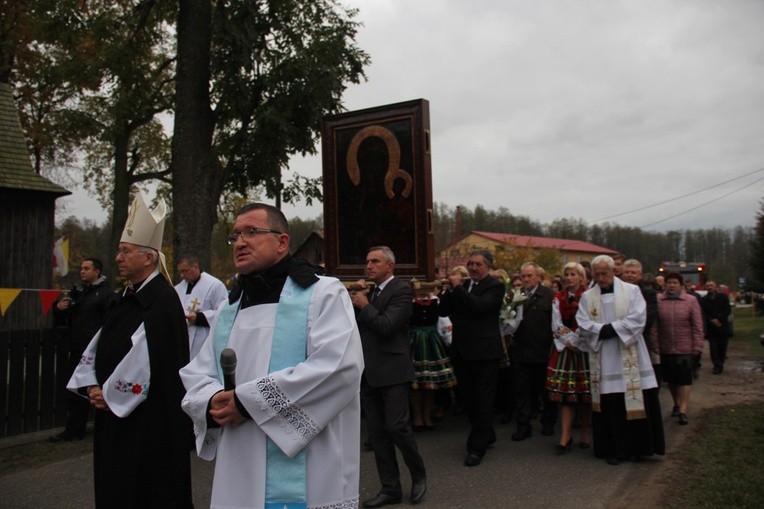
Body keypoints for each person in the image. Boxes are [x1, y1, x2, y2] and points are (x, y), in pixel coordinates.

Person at [180, 203, 364, 509]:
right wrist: (213, 401)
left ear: (282, 242)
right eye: (235, 235)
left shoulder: (323, 293)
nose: (239, 242)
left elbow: (339, 367)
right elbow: (199, 372)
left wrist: (246, 403)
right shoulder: (229, 308)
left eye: (251, 232)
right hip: (239, 460)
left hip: (309, 465)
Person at [67, 192, 192, 507]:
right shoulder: (123, 297)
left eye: (126, 251)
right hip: (111, 416)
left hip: (147, 423)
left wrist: (109, 393)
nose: (119, 257)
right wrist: (92, 383)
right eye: (119, 251)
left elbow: (145, 358)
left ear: (148, 257)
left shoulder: (162, 301)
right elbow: (99, 344)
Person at [351, 246, 427, 507]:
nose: (369, 266)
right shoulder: (369, 291)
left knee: (397, 427)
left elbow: (387, 326)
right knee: (377, 434)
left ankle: (418, 474)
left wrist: (365, 305)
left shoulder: (402, 290)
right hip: (369, 372)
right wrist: (354, 300)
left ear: (390, 266)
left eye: (375, 261)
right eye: (367, 261)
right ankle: (390, 488)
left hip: (394, 370)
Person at [576, 255, 664, 466]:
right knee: (611, 403)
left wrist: (611, 329)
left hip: (630, 352)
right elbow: (582, 322)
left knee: (635, 398)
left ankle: (639, 448)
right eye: (597, 274)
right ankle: (614, 448)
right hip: (604, 356)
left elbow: (638, 319)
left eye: (605, 273)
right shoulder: (588, 296)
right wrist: (601, 330)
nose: (601, 277)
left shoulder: (632, 291)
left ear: (613, 271)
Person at [437, 249, 504, 467]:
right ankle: (487, 434)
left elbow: (480, 307)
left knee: (483, 399)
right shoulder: (463, 286)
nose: (473, 268)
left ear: (488, 266)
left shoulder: (495, 286)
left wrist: (458, 288)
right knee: (468, 398)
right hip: (462, 351)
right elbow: (443, 310)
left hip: (485, 353)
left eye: (478, 264)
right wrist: (448, 290)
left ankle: (476, 448)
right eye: (471, 264)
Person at [49, 258, 112, 443]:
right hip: (77, 348)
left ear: (97, 271)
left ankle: (89, 429)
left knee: (92, 391)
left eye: (86, 268)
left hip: (93, 350)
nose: (82, 271)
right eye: (81, 268)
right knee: (75, 391)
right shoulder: (80, 292)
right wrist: (60, 309)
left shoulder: (105, 293)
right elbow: (69, 318)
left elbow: (107, 322)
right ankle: (73, 429)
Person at [545, 262, 591, 453]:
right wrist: (570, 342)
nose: (569, 278)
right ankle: (565, 436)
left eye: (573, 274)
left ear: (581, 277)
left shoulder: (589, 297)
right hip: (566, 348)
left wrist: (580, 342)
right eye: (567, 274)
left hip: (585, 349)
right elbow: (556, 324)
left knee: (586, 395)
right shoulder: (558, 298)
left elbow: (589, 321)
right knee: (565, 396)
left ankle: (586, 433)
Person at [509, 261, 557, 441]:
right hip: (521, 352)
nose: (526, 279)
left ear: (538, 277)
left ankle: (548, 423)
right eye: (523, 276)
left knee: (545, 392)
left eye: (530, 276)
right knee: (522, 392)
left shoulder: (549, 295)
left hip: (543, 352)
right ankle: (523, 425)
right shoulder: (515, 296)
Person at [657, 271, 704, 425]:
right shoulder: (659, 300)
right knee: (671, 378)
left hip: (685, 347)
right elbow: (654, 326)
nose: (672, 285)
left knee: (684, 378)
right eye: (669, 282)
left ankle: (683, 409)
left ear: (681, 285)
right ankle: (676, 402)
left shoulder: (690, 300)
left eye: (675, 282)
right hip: (666, 346)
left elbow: (697, 325)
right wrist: (655, 344)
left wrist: (698, 345)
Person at [408, 285, 456, 431]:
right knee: (415, 384)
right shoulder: (409, 302)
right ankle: (417, 416)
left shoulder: (436, 301)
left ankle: (427, 415)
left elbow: (444, 323)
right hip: (414, 343)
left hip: (432, 343)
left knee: (430, 383)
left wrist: (450, 341)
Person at [174, 256, 228, 359]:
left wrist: (199, 318)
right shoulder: (178, 288)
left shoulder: (215, 285)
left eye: (185, 271)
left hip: (204, 338)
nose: (182, 275)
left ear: (195, 267)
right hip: (183, 338)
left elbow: (224, 313)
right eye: (180, 272)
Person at [622, 259, 661, 385]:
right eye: (626, 272)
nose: (629, 275)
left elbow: (649, 317)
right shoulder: (617, 291)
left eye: (633, 272)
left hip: (641, 338)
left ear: (640, 275)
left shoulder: (648, 293)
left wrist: (627, 327)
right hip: (619, 339)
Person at [700, 280, 732, 374]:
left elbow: (727, 310)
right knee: (713, 348)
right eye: (708, 286)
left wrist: (719, 319)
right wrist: (711, 320)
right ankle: (716, 365)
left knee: (722, 347)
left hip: (722, 326)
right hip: (711, 328)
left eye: (711, 285)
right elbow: (703, 313)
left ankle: (720, 363)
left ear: (715, 287)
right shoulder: (703, 300)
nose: (710, 287)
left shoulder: (723, 297)